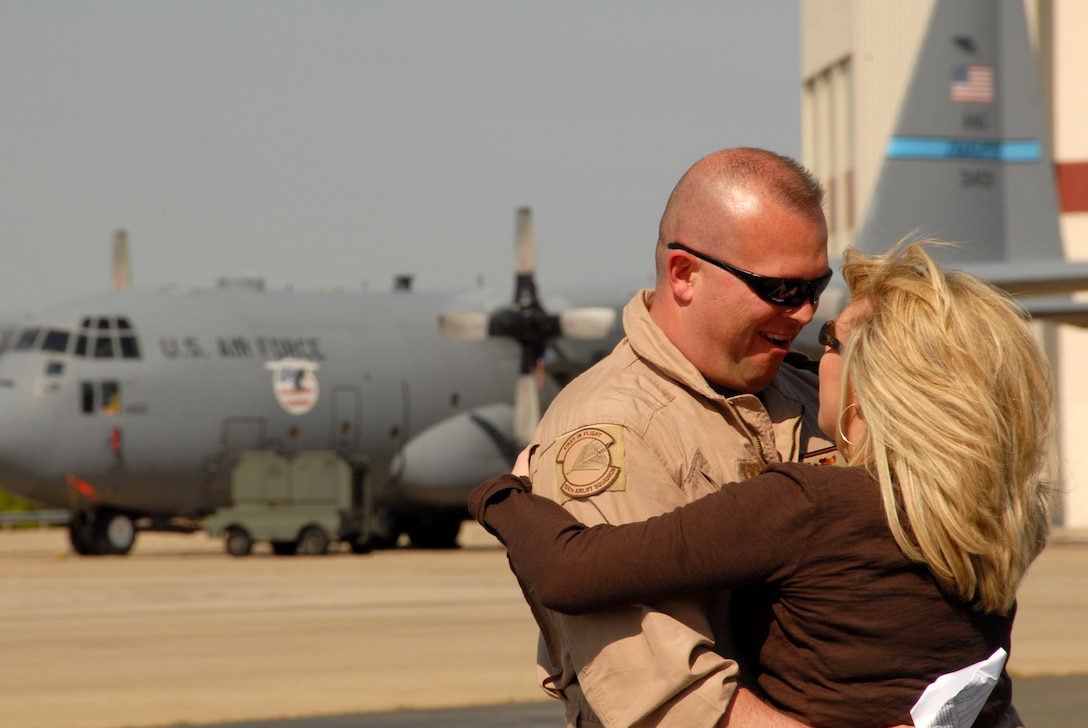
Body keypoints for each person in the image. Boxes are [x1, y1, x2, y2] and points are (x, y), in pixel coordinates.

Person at [472, 242, 1052, 727]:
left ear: (873, 381)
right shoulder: (999, 513)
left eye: (829, 341)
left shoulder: (809, 505)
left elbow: (571, 571)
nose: (806, 346)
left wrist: (502, 497)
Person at [513, 148, 837, 727]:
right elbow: (669, 701)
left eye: (818, 286)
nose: (805, 312)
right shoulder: (615, 431)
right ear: (685, 275)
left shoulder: (819, 398)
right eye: (781, 289)